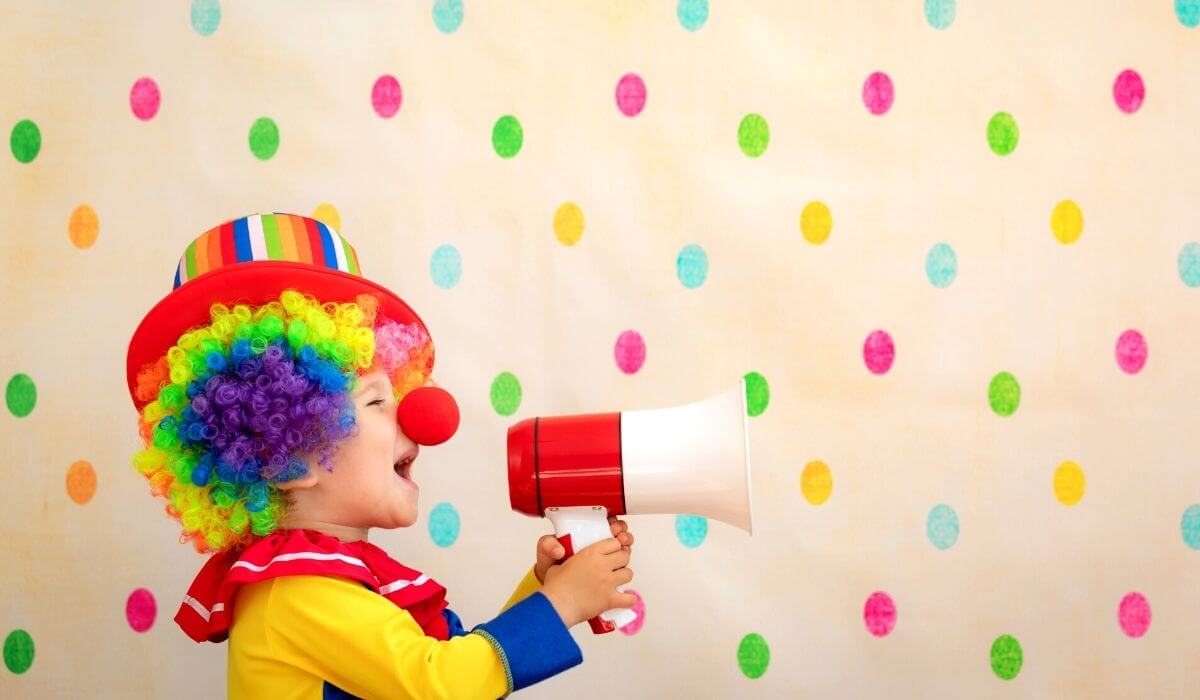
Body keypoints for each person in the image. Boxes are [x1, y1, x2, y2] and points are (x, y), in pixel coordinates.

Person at [125, 212, 636, 698]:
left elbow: (457, 666)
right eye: (375, 401)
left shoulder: (333, 580)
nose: (418, 414)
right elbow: (442, 685)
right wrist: (561, 604)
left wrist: (544, 588)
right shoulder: (296, 594)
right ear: (290, 460)